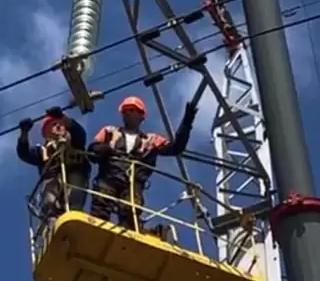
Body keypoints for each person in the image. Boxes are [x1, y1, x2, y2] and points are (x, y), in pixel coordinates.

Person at [87, 96, 197, 229]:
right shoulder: (110, 132)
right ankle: (95, 232)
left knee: (130, 212)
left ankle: (127, 238)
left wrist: (187, 122)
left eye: (132, 110)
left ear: (141, 115)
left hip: (134, 182)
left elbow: (175, 148)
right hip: (109, 177)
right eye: (126, 111)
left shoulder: (151, 140)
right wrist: (103, 149)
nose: (128, 113)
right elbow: (93, 151)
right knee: (101, 205)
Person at [17, 107, 90, 223]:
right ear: (47, 132)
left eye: (60, 124)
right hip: (53, 182)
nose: (58, 126)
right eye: (53, 124)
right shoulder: (42, 151)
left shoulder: (74, 141)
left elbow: (79, 133)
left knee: (75, 191)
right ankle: (52, 219)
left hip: (75, 177)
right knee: (50, 197)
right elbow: (24, 154)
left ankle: (74, 217)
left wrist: (63, 117)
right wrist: (24, 133)